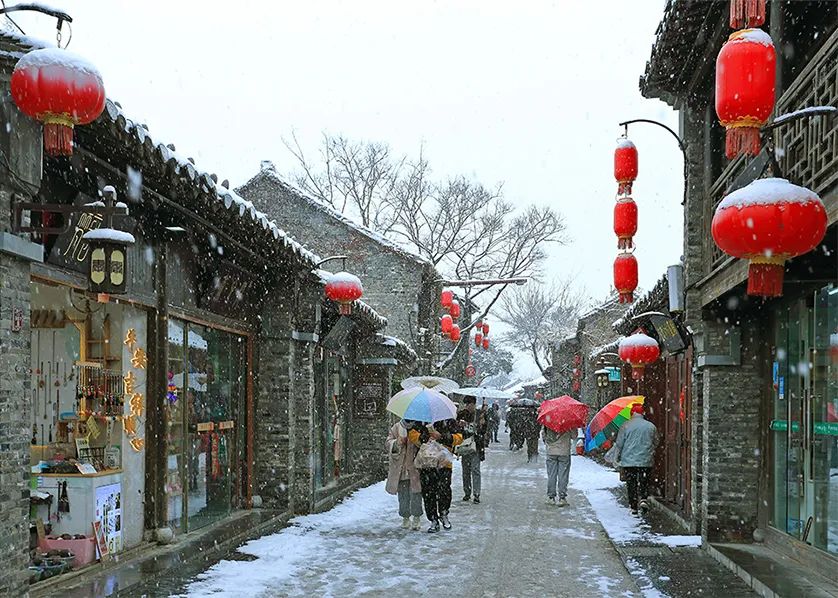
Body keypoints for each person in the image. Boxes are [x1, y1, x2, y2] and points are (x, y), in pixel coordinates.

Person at [410, 418, 462, 533]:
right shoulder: (420, 420)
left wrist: (442, 436)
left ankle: (444, 513)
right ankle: (433, 519)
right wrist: (426, 437)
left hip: (444, 463)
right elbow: (412, 435)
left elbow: (459, 437)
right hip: (427, 462)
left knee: (444, 490)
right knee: (428, 493)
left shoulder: (448, 420)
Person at [614, 404, 659, 515]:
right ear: (642, 413)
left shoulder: (625, 425)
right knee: (644, 480)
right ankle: (643, 498)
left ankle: (633, 506)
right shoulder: (651, 426)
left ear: (632, 413)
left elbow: (619, 443)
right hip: (645, 459)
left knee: (631, 483)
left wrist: (616, 457)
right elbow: (656, 441)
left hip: (629, 461)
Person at [385, 419, 423, 530]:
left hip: (415, 467)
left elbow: (423, 443)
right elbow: (388, 443)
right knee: (403, 496)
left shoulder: (418, 427)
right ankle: (405, 517)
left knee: (416, 494)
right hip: (401, 469)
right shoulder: (397, 427)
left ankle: (416, 517)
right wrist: (397, 442)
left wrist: (415, 440)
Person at [457, 397, 487, 504]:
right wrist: (460, 426)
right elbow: (456, 429)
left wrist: (479, 426)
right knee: (465, 471)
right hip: (465, 445)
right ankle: (467, 492)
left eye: (469, 404)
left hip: (476, 445)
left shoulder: (480, 414)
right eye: (466, 404)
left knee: (475, 470)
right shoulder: (462, 414)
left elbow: (484, 430)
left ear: (474, 404)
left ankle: (476, 494)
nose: (467, 406)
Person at [543, 426, 573, 507]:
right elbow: (574, 436)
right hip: (564, 452)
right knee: (563, 475)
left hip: (551, 452)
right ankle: (562, 498)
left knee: (551, 475)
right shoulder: (569, 422)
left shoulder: (549, 422)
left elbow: (544, 436)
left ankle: (551, 497)